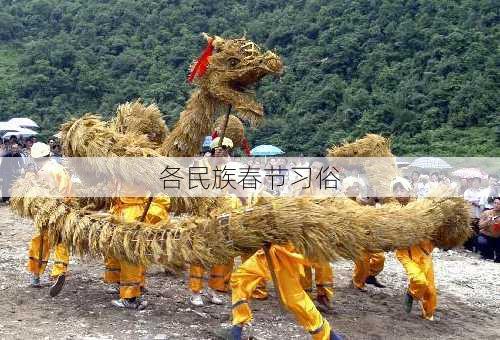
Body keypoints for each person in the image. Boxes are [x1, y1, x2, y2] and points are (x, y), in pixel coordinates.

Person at [26, 142, 71, 297]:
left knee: (40, 242)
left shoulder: (43, 172)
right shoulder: (60, 169)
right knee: (60, 242)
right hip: (61, 211)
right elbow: (67, 193)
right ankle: (59, 272)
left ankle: (36, 276)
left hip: (46, 212)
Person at [392, 177, 437, 321]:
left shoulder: (421, 206)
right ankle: (411, 294)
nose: (399, 192)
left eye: (402, 189)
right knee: (419, 280)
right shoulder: (392, 211)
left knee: (430, 289)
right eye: (396, 190)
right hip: (405, 253)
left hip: (425, 252)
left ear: (409, 190)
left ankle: (428, 314)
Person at [342, 177, 386, 290]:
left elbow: (370, 204)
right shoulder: (341, 202)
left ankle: (369, 276)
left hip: (370, 235)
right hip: (355, 238)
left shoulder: (361, 200)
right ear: (346, 189)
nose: (355, 189)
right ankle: (358, 283)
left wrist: (374, 200)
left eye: (357, 186)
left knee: (380, 258)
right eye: (353, 187)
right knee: (362, 261)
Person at [477, 197, 500, 262]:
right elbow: (480, 226)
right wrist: (487, 221)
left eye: (498, 204)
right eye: (495, 203)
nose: (496, 205)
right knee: (481, 241)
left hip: (498, 238)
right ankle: (487, 255)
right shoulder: (486, 213)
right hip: (487, 236)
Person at [463, 177, 483, 251]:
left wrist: (473, 201)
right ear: (472, 182)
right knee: (469, 230)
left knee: (477, 230)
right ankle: (468, 247)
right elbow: (466, 201)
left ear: (479, 183)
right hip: (470, 213)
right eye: (474, 181)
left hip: (478, 214)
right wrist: (475, 201)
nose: (475, 183)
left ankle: (477, 247)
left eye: (477, 182)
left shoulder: (482, 192)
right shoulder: (467, 191)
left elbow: (482, 201)